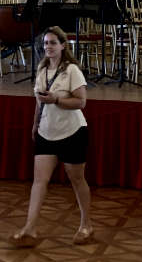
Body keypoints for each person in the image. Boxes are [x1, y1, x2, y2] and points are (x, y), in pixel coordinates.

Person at [10, 26, 92, 248]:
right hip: (46, 132)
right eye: (46, 43)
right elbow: (39, 102)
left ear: (63, 45)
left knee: (77, 179)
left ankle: (86, 225)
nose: (48, 46)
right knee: (39, 180)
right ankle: (30, 228)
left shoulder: (72, 70)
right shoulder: (42, 70)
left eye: (53, 43)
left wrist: (56, 99)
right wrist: (35, 124)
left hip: (72, 132)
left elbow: (81, 102)